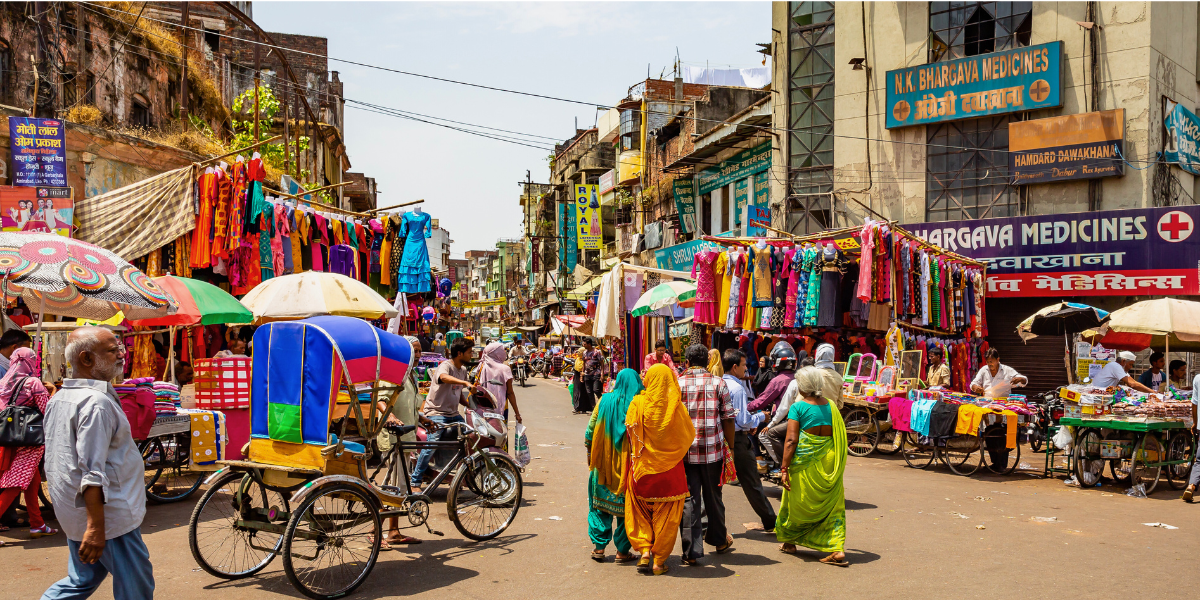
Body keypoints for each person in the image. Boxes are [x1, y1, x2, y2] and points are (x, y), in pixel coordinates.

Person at [42, 327, 155, 598]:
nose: (121, 354)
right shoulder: (95, 403)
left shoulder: (60, 398)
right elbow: (91, 470)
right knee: (136, 589)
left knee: (82, 579)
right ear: (87, 359)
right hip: (109, 517)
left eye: (119, 348)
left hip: (76, 513)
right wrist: (96, 528)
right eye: (111, 350)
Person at [620, 364, 695, 575]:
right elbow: (687, 436)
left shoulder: (637, 403)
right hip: (670, 473)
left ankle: (644, 551)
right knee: (668, 518)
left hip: (641, 471)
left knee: (639, 512)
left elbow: (630, 434)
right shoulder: (676, 407)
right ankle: (658, 562)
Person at [776, 367, 848, 566]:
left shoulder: (798, 407)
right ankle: (836, 548)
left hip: (804, 463)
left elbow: (791, 440)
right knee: (832, 506)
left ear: (802, 386)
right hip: (830, 460)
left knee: (797, 501)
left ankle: (790, 542)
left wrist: (783, 468)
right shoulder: (832, 406)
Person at [677, 343, 735, 565]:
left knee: (690, 500)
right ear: (707, 362)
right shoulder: (718, 383)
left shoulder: (678, 383)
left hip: (685, 452)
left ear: (688, 362)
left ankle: (691, 552)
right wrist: (729, 447)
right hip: (713, 452)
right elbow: (728, 418)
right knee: (714, 497)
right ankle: (719, 540)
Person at [584, 369, 643, 563]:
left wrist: (589, 455)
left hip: (602, 464)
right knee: (628, 510)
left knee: (599, 507)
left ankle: (599, 548)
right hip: (629, 466)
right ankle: (622, 552)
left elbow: (590, 430)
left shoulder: (604, 400)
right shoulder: (639, 404)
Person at [0, 348, 58, 545]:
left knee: (31, 485)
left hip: (9, 439)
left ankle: (37, 524)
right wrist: (52, 390)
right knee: (15, 485)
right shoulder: (33, 382)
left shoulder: (4, 382)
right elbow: (47, 410)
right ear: (31, 361)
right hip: (29, 441)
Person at [410, 338, 478, 491]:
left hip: (454, 414)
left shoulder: (463, 371)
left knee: (471, 438)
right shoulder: (445, 366)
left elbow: (458, 394)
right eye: (469, 352)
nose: (471, 355)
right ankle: (415, 481)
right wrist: (465, 383)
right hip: (436, 413)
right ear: (459, 353)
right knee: (432, 444)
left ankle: (458, 476)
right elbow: (443, 378)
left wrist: (472, 407)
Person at [722, 349, 776, 533]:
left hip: (720, 438)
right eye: (744, 366)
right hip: (737, 440)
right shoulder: (737, 388)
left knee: (714, 485)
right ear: (735, 367)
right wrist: (761, 417)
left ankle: (714, 528)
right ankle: (770, 520)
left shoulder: (719, 384)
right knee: (751, 482)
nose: (746, 370)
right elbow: (742, 420)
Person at [478, 341, 522, 425]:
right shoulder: (505, 369)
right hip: (501, 408)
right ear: (497, 353)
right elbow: (510, 393)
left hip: (483, 408)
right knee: (501, 432)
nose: (505, 352)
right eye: (503, 350)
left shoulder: (481, 367)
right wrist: (517, 413)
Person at [748, 341, 797, 414]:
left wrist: (745, 407)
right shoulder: (798, 377)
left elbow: (762, 401)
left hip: (782, 418)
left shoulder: (778, 381)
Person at [575, 338, 604, 414]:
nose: (583, 345)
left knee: (596, 390)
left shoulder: (597, 352)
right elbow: (584, 364)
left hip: (596, 374)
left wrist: (602, 374)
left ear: (589, 344)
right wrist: (582, 375)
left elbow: (602, 363)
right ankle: (594, 409)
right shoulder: (584, 353)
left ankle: (603, 404)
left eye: (584, 344)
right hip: (587, 375)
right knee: (589, 392)